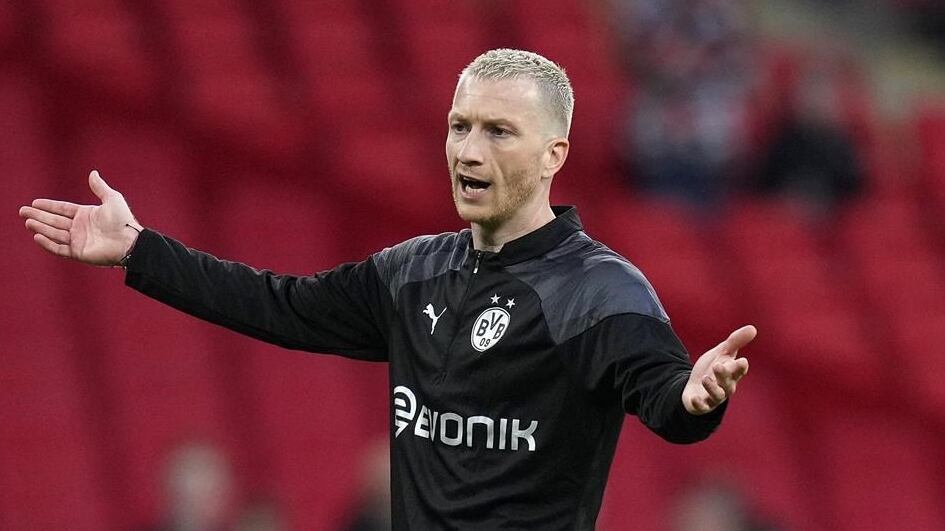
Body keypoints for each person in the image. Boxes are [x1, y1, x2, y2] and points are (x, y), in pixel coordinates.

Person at [19, 49, 754, 530]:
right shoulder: (414, 271)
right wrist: (139, 251)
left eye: (498, 131)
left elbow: (665, 397)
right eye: (459, 126)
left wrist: (694, 398)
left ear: (553, 153)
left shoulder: (597, 290)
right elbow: (279, 305)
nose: (468, 150)